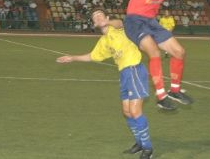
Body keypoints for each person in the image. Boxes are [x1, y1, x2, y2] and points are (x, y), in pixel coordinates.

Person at [56, 9, 153, 159]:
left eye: (100, 14)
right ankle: (139, 142)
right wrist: (72, 58)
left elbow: (120, 22)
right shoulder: (104, 41)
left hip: (134, 69)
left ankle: (148, 148)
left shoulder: (118, 28)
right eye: (95, 16)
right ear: (94, 23)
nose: (98, 17)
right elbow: (92, 56)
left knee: (135, 111)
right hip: (124, 74)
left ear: (107, 17)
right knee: (126, 112)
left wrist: (108, 22)